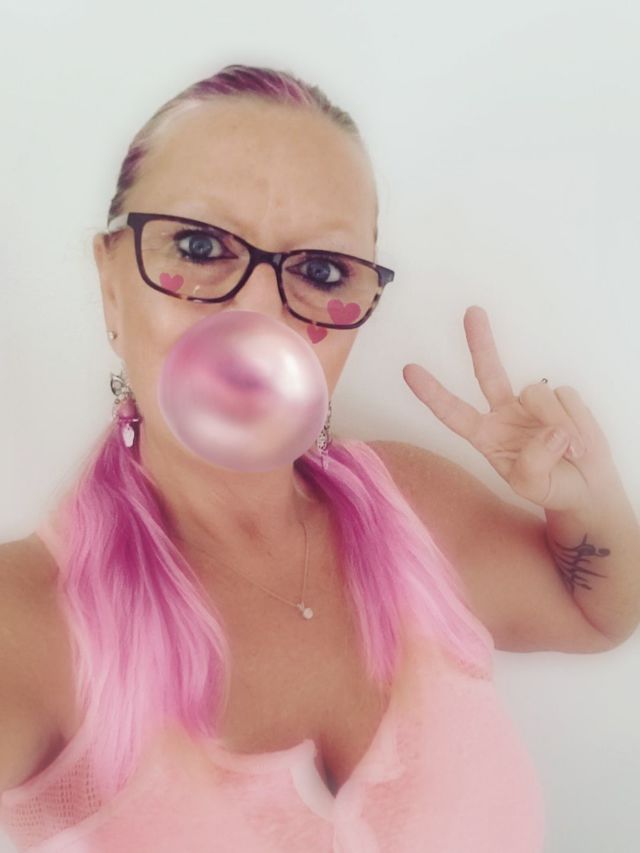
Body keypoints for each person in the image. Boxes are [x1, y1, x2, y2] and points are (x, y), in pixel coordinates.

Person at [0, 63, 555, 852]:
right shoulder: (27, 620)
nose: (257, 312)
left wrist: (585, 502)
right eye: (198, 245)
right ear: (112, 286)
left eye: (322, 270)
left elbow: (600, 611)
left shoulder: (413, 503)